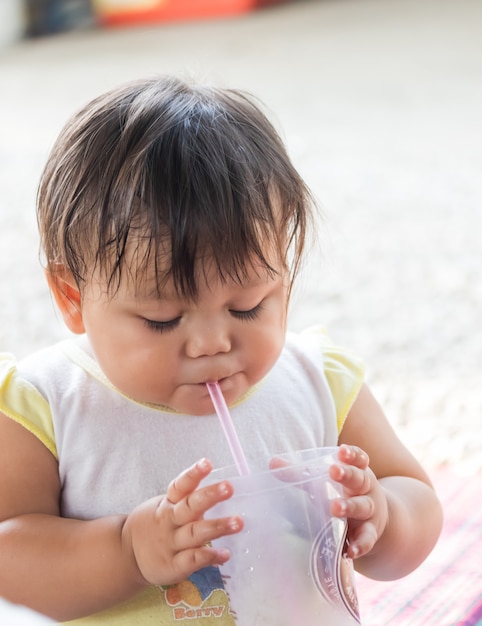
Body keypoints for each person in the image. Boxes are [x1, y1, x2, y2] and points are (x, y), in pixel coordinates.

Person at [0, 76, 442, 625]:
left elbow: (417, 502)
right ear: (72, 297)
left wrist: (383, 514)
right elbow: (9, 561)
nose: (213, 343)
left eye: (249, 307)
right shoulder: (45, 405)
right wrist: (127, 550)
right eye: (161, 319)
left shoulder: (316, 382)